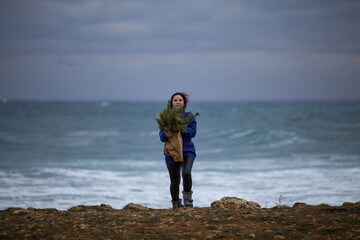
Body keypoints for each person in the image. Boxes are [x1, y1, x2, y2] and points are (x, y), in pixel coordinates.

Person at [159, 92, 197, 209]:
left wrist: (182, 129)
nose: (177, 102)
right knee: (175, 181)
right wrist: (167, 134)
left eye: (180, 100)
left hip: (187, 151)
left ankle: (188, 202)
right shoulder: (166, 117)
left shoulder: (189, 116)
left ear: (184, 103)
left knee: (186, 173)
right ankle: (176, 204)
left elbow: (193, 133)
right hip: (172, 152)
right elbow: (161, 137)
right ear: (171, 103)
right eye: (175, 100)